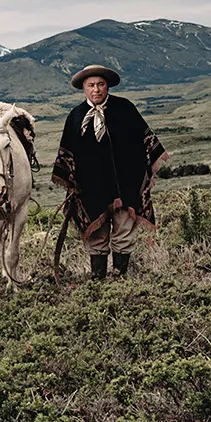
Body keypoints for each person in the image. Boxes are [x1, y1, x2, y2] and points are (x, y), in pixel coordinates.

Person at [51, 64, 169, 280]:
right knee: (97, 234)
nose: (96, 90)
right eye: (91, 85)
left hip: (126, 184)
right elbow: (67, 153)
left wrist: (141, 176)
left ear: (107, 86)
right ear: (84, 88)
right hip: (90, 189)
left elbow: (144, 142)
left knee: (124, 231)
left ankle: (119, 279)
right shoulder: (76, 116)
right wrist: (71, 183)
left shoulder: (125, 109)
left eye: (100, 84)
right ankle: (98, 280)